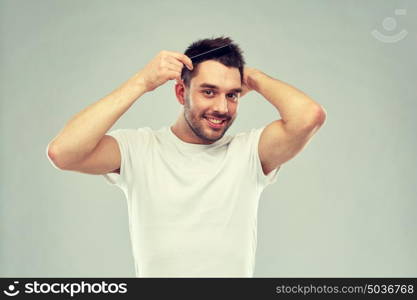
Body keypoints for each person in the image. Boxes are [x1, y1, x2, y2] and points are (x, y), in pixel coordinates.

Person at [46, 36, 327, 277]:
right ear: (181, 92)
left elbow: (308, 116)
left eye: (232, 95)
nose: (222, 107)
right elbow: (63, 152)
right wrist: (141, 82)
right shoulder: (139, 148)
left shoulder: (249, 153)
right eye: (208, 91)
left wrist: (252, 77)